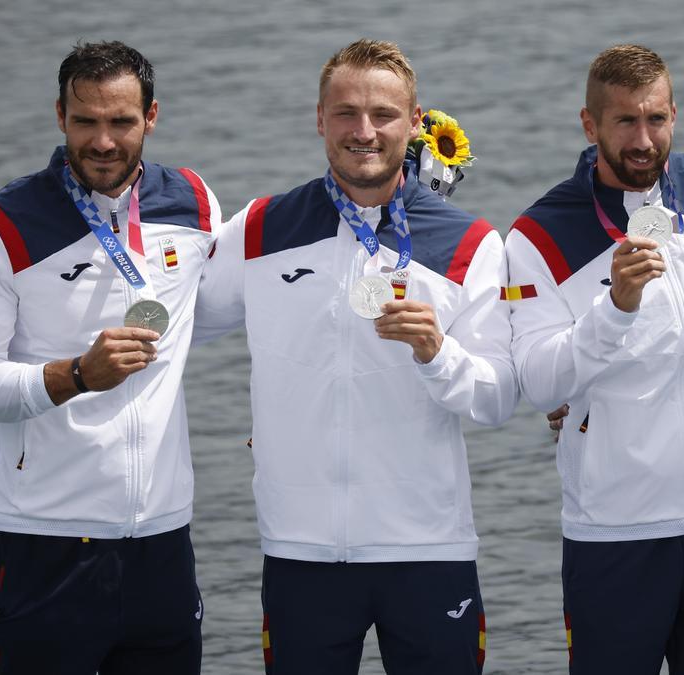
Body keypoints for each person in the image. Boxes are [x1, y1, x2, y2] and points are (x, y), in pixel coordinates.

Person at [194, 39, 517, 674]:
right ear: (319, 119)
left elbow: (498, 399)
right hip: (302, 550)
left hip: (427, 550)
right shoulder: (260, 229)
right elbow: (176, 327)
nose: (363, 131)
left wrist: (436, 352)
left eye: (383, 114)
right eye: (345, 113)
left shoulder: (470, 243)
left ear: (416, 122)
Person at [0, 41, 221, 674]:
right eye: (85, 120)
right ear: (59, 116)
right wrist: (74, 376)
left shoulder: (195, 204)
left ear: (151, 117)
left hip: (161, 543)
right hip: (43, 540)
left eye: (120, 122)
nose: (102, 141)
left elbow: (232, 303)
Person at [505, 44, 684, 674]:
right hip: (617, 532)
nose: (642, 139)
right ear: (589, 124)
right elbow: (538, 380)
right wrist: (616, 309)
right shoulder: (539, 235)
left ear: (674, 114)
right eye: (624, 121)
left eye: (656, 119)